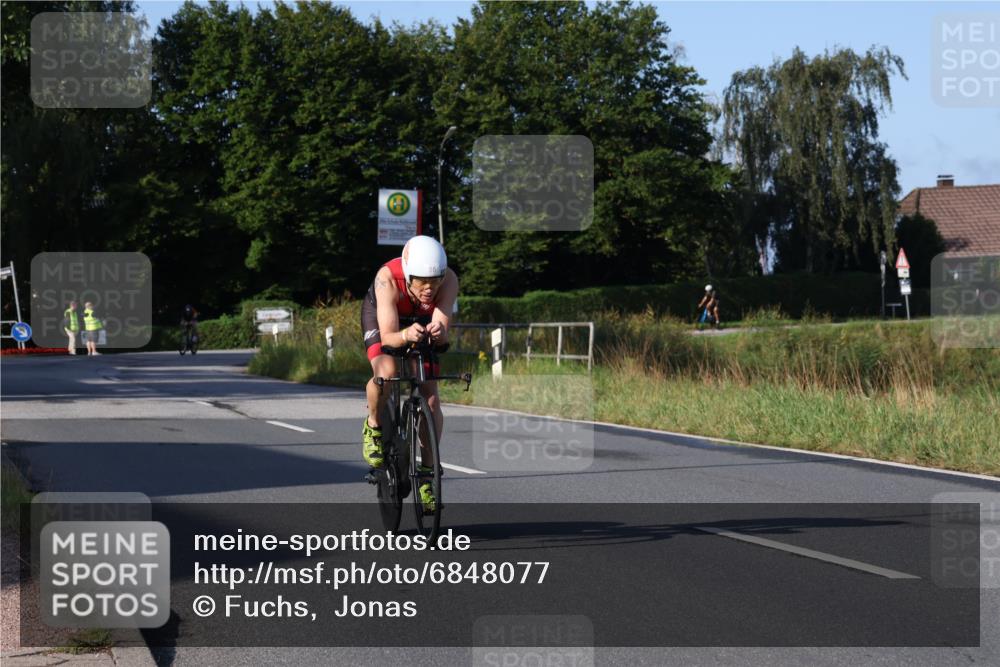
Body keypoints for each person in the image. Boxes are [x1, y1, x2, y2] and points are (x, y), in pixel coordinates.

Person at [360, 236, 458, 511]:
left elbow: (442, 331)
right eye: (421, 281)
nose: (429, 288)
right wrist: (405, 334)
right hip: (385, 320)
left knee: (430, 398)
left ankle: (428, 475)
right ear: (407, 274)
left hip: (420, 321)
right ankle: (374, 427)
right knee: (387, 371)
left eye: (435, 280)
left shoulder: (449, 280)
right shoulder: (387, 279)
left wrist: (438, 333)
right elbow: (390, 337)